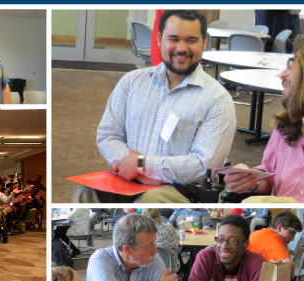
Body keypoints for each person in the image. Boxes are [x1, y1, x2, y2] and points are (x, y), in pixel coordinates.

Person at [73, 10, 235, 204]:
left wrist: (143, 165)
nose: (181, 48)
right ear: (159, 39)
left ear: (204, 43)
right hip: (129, 179)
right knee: (84, 191)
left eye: (191, 40)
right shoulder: (132, 81)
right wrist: (133, 169)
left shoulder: (217, 98)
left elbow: (203, 165)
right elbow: (108, 134)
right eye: (173, 39)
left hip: (181, 189)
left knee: (150, 201)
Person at [223, 35, 304, 203]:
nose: (281, 74)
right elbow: (272, 181)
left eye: (293, 64)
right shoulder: (285, 129)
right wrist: (250, 180)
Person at [186, 215, 304, 281]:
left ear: (246, 243)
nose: (224, 246)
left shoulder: (256, 261)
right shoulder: (205, 257)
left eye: (233, 241)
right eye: (220, 239)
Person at [84, 213, 179, 281]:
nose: (155, 250)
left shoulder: (152, 258)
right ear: (127, 250)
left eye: (154, 243)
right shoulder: (99, 260)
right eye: (149, 246)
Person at [248, 211, 303, 281]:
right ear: (279, 228)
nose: (292, 239)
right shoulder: (273, 240)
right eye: (292, 234)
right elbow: (288, 263)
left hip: (246, 275)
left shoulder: (260, 232)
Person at [142, 209, 182, 273]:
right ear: (159, 215)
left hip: (148, 269)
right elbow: (178, 249)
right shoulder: (170, 229)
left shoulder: (141, 232)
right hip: (170, 268)